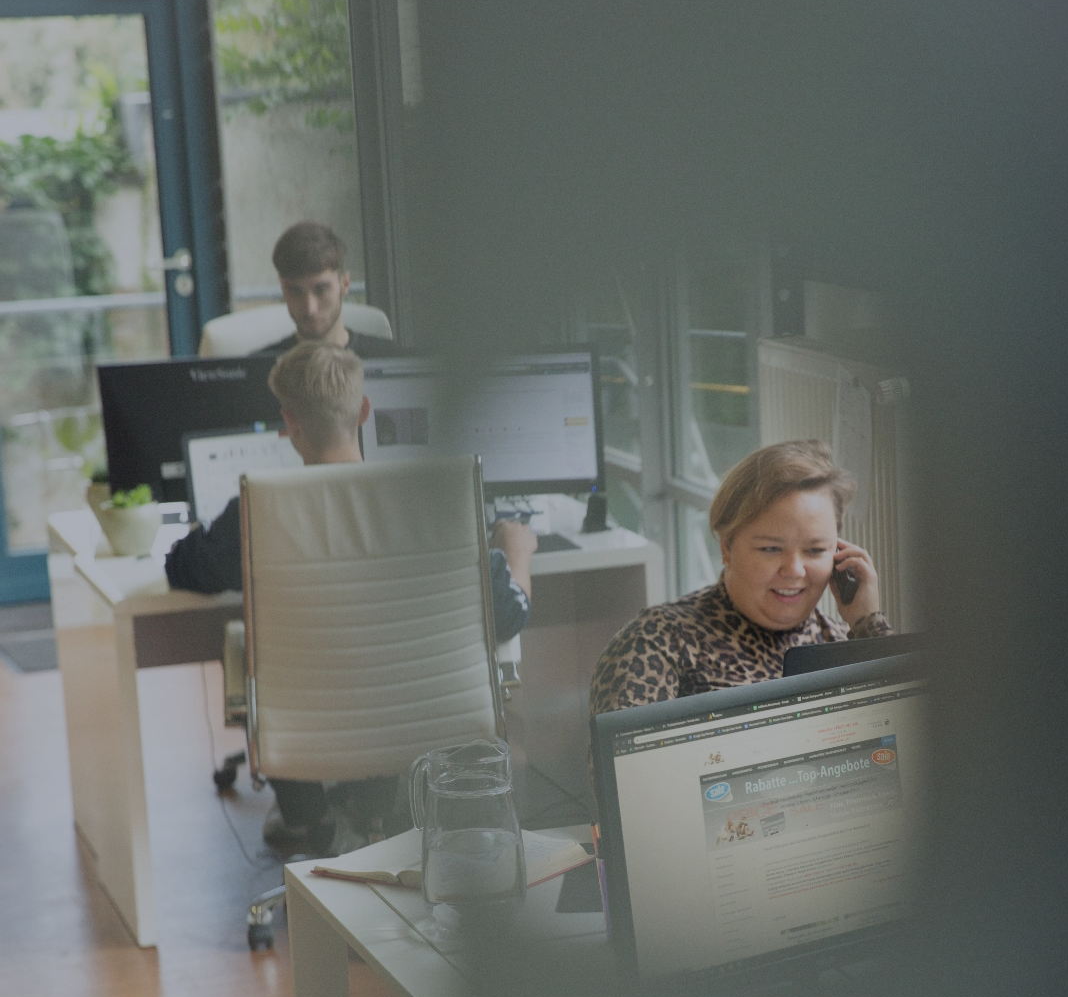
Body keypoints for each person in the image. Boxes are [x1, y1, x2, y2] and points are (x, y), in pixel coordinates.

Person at [165, 341, 535, 852]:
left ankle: (309, 817)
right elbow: (510, 614)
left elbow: (181, 567)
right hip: (424, 732)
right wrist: (517, 552)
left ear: (289, 423)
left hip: (309, 741)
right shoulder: (437, 501)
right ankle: (386, 808)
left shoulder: (258, 511)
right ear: (364, 411)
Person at [589, 439, 891, 718]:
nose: (795, 570)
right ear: (726, 547)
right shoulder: (656, 643)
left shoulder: (839, 641)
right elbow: (625, 773)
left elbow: (911, 748)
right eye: (771, 549)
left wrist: (869, 626)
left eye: (815, 550)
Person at [257, 220, 397, 359]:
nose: (310, 309)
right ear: (283, 290)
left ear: (345, 284)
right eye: (295, 292)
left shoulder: (394, 360)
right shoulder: (257, 370)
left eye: (321, 290)